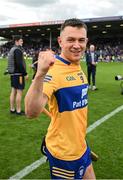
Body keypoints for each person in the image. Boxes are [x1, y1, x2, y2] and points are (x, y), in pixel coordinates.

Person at [25, 18, 96, 179]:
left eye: (81, 40)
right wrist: (40, 74)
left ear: (86, 41)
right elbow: (31, 112)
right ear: (60, 41)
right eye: (70, 40)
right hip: (64, 153)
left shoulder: (76, 65)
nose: (77, 45)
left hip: (80, 145)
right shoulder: (53, 70)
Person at [8, 35, 28, 115]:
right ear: (16, 41)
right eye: (21, 41)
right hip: (19, 75)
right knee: (19, 92)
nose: (22, 42)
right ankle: (18, 110)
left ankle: (12, 109)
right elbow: (19, 64)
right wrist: (25, 74)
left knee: (13, 91)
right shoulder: (17, 50)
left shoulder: (12, 49)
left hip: (13, 74)